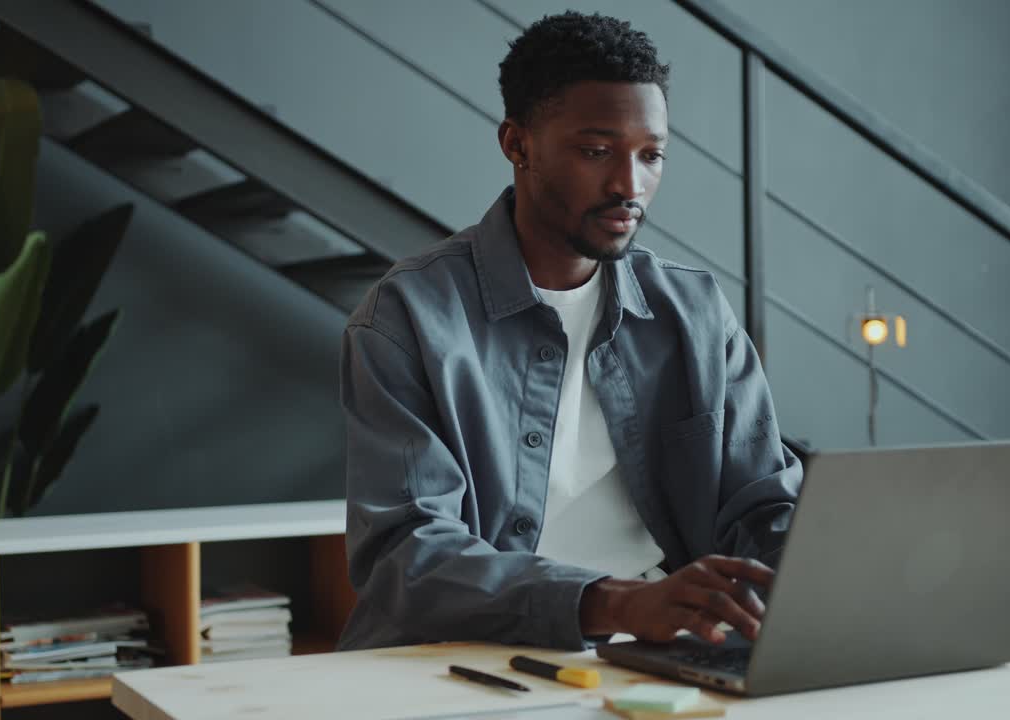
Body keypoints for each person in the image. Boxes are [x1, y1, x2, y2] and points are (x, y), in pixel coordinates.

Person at [337, 11, 801, 652]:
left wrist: (816, 583)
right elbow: (406, 550)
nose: (628, 186)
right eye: (595, 151)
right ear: (517, 143)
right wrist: (617, 604)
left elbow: (763, 504)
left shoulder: (694, 310)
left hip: (657, 650)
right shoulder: (408, 315)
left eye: (652, 156)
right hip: (459, 656)